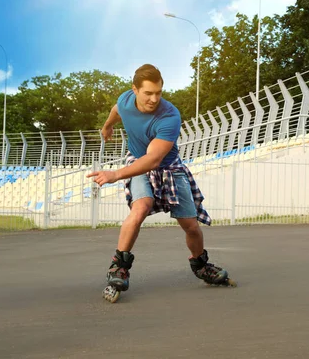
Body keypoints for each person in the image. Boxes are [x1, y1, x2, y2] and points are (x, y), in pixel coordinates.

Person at [87, 64, 234, 296]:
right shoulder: (125, 101)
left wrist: (115, 174)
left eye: (158, 93)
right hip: (137, 163)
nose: (154, 99)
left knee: (191, 226)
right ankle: (119, 267)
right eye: (148, 93)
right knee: (140, 208)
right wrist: (107, 126)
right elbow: (117, 109)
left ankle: (201, 265)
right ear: (134, 90)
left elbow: (154, 159)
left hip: (168, 168)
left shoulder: (170, 115)